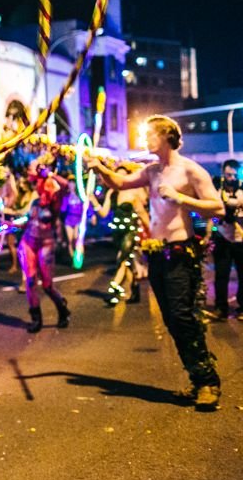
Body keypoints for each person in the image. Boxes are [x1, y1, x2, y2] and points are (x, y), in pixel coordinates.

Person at [88, 115, 224, 411]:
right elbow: (120, 181)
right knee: (172, 319)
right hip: (157, 253)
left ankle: (208, 382)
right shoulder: (151, 171)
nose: (145, 139)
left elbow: (217, 207)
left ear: (166, 137)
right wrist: (100, 167)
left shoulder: (190, 170)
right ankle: (197, 378)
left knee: (183, 315)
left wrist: (180, 198)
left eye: (150, 135)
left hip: (180, 252)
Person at [19, 158, 72, 332]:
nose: (27, 172)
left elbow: (67, 187)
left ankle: (62, 309)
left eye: (31, 169)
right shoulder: (33, 200)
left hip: (46, 243)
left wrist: (49, 173)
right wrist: (11, 224)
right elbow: (28, 221)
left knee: (48, 285)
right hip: (28, 242)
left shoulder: (53, 200)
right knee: (30, 281)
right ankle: (36, 318)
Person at [91, 164, 150, 305]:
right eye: (117, 175)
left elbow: (142, 213)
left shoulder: (133, 192)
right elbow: (103, 213)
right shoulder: (112, 193)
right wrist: (93, 201)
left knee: (122, 260)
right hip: (118, 232)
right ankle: (135, 290)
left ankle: (114, 290)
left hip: (131, 231)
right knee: (127, 262)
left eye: (123, 174)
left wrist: (151, 232)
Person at [204, 159, 243, 321]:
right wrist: (207, 235)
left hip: (240, 236)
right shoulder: (217, 190)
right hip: (222, 235)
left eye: (235, 175)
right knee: (221, 274)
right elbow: (212, 214)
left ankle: (241, 307)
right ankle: (221, 308)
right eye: (228, 174)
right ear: (223, 173)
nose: (232, 178)